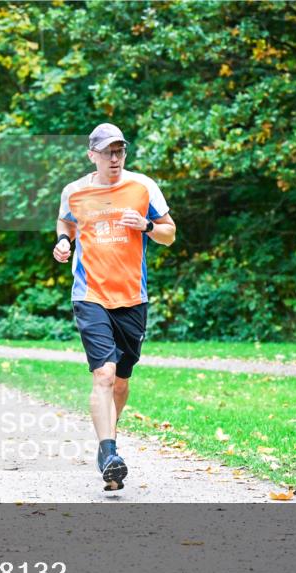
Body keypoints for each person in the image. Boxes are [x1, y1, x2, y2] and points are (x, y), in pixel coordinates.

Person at [53, 123, 176, 491]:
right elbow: (66, 222)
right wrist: (62, 242)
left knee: (121, 381)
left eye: (119, 150)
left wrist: (147, 226)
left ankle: (108, 441)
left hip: (132, 298)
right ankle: (108, 454)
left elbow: (170, 234)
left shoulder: (143, 187)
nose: (115, 158)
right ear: (92, 155)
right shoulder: (74, 192)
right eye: (107, 151)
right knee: (103, 375)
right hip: (90, 294)